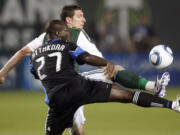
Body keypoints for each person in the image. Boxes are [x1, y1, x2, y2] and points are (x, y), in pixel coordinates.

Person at [0, 4, 170, 135]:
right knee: (115, 70)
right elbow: (99, 60)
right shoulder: (77, 34)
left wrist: (2, 73)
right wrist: (107, 65)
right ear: (69, 21)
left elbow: (23, 52)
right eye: (80, 16)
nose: (84, 20)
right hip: (75, 86)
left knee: (78, 130)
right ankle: (154, 87)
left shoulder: (45, 36)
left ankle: (154, 87)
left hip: (54, 95)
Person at [31, 19, 180, 135]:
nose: (68, 33)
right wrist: (105, 62)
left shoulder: (35, 55)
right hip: (79, 87)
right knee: (127, 95)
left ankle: (157, 90)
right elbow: (86, 58)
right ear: (57, 33)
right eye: (64, 30)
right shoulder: (66, 45)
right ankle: (172, 105)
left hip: (57, 99)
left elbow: (36, 73)